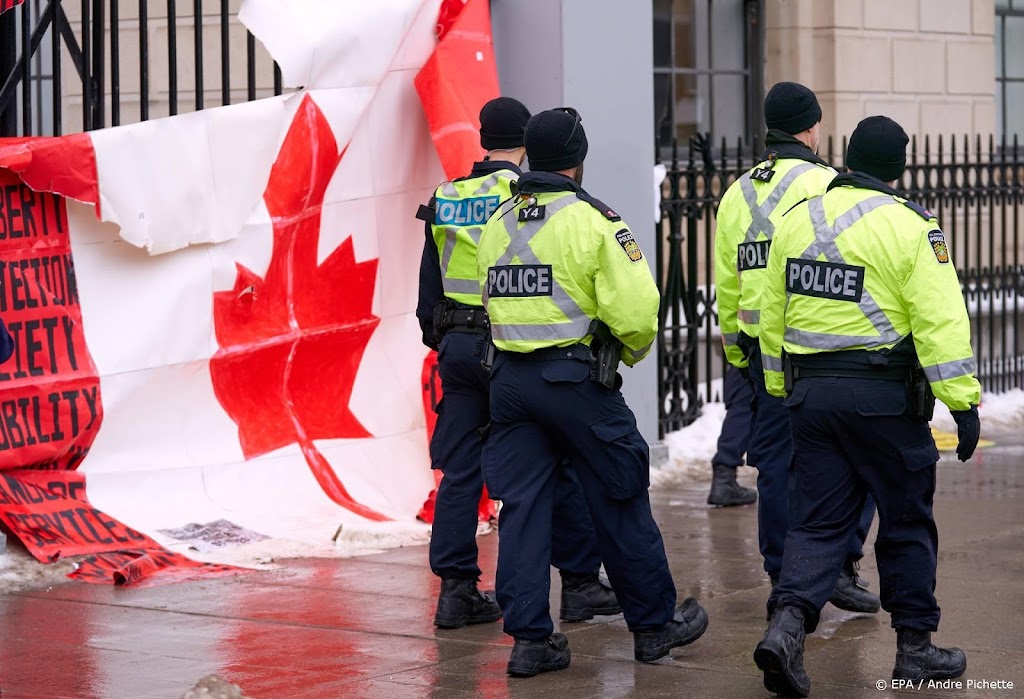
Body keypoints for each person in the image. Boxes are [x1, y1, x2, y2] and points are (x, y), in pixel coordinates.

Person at [754, 116, 981, 697]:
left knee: (816, 523)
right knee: (906, 521)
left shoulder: (796, 219)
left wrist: (781, 388)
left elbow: (770, 312)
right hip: (883, 402)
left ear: (848, 157)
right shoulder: (912, 228)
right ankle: (915, 648)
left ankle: (786, 627)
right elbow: (940, 323)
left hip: (810, 399)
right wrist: (962, 404)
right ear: (899, 167)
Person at [477, 107, 708, 678]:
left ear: (531, 157)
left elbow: (489, 301)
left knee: (524, 510)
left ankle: (531, 641)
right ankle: (653, 627)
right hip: (575, 383)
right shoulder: (595, 221)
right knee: (619, 495)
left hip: (509, 384)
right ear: (578, 161)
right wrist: (619, 353)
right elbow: (635, 314)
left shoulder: (499, 221)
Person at [416, 97, 619, 631]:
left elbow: (428, 285)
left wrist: (440, 337)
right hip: (508, 345)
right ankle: (578, 585)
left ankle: (456, 591)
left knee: (459, 471)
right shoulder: (523, 195)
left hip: (456, 347)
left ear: (483, 137)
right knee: (558, 460)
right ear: (525, 143)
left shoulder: (448, 195)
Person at [713, 81, 880, 613]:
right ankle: (840, 566)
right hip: (815, 347)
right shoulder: (829, 184)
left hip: (760, 352)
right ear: (810, 127)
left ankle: (783, 576)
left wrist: (738, 352)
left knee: (777, 468)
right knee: (855, 459)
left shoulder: (737, 192)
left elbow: (727, 281)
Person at [707, 364, 757, 506]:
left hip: (743, 352)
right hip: (763, 352)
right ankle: (724, 481)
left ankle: (724, 479)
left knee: (742, 406)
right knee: (745, 406)